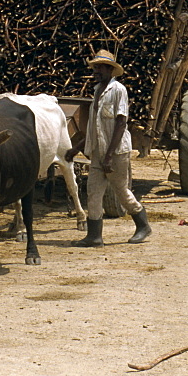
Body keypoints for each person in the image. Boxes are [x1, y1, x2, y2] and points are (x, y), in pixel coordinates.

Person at [65, 50, 151, 246]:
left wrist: (109, 156)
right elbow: (95, 127)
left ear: (110, 70)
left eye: (100, 67)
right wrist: (75, 149)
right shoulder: (97, 91)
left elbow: (121, 124)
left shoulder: (118, 90)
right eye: (94, 67)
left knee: (121, 191)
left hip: (116, 152)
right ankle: (94, 236)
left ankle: (143, 226)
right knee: (93, 192)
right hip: (97, 152)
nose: (96, 71)